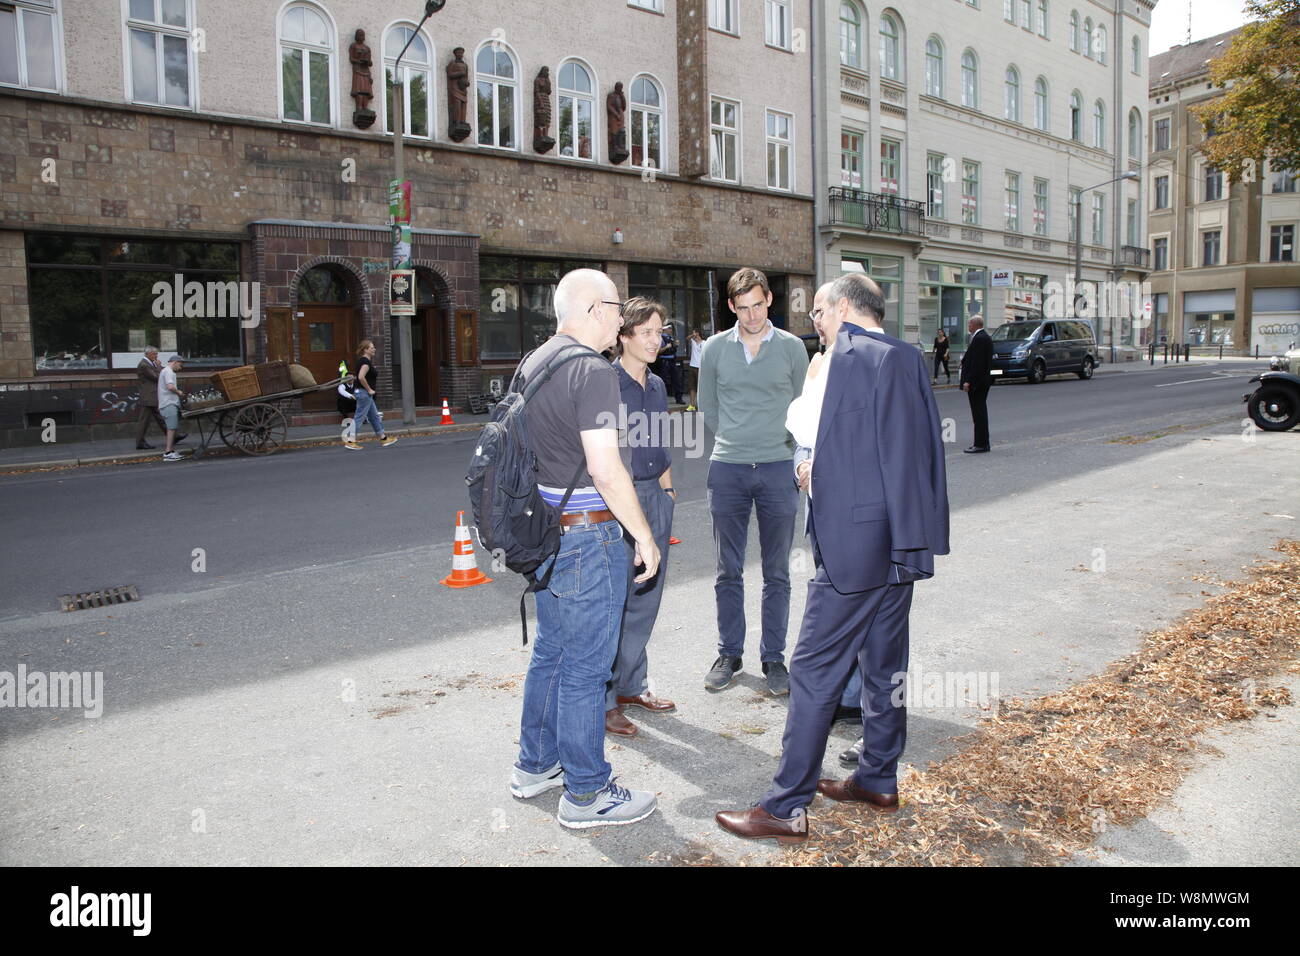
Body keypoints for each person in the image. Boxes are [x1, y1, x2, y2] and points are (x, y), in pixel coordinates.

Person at [715, 273, 950, 844]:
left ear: (843, 309)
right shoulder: (904, 355)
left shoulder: (847, 355)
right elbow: (904, 454)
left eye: (818, 311)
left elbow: (814, 432)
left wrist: (810, 464)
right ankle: (877, 777)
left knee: (814, 669)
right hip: (899, 545)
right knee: (884, 662)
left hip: (854, 549)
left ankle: (785, 805)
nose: (814, 322)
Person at [509, 268, 663, 830]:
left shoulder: (535, 362)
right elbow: (606, 467)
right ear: (595, 308)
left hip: (545, 535)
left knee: (551, 653)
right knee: (585, 669)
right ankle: (586, 793)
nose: (622, 320)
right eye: (618, 308)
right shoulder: (592, 372)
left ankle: (535, 766)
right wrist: (644, 536)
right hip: (587, 538)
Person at [698, 267, 809, 696]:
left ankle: (774, 658)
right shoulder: (713, 349)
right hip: (728, 467)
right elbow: (707, 404)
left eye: (758, 305)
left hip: (780, 468)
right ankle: (729, 653)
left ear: (769, 301)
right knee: (728, 569)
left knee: (776, 571)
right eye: (742, 308)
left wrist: (789, 450)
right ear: (731, 307)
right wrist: (736, 438)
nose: (751, 315)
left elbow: (803, 409)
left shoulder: (793, 348)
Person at [604, 297, 678, 738]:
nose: (656, 339)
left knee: (647, 597)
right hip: (620, 501)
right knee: (617, 603)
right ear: (624, 336)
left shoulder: (657, 385)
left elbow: (663, 441)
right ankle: (607, 699)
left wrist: (667, 492)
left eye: (660, 331)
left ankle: (634, 685)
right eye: (647, 332)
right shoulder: (606, 383)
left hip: (656, 495)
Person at [344, 340, 397, 450]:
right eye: (371, 348)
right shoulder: (365, 362)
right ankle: (350, 441)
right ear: (365, 350)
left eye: (373, 347)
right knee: (359, 417)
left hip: (363, 393)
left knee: (374, 416)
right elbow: (360, 377)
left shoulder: (363, 361)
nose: (374, 349)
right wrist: (369, 390)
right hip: (364, 393)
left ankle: (383, 438)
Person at [959, 316, 993, 453]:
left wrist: (968, 380)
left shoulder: (979, 339)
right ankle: (982, 442)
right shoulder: (984, 337)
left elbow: (977, 363)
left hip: (978, 383)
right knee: (979, 412)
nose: (968, 325)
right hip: (982, 381)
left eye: (969, 323)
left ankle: (981, 443)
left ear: (975, 324)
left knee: (978, 413)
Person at [134, 346, 167, 449]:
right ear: (147, 354)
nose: (156, 356)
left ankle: (173, 435)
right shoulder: (144, 365)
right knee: (144, 421)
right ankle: (140, 442)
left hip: (152, 396)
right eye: (154, 354)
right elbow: (157, 377)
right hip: (148, 397)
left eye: (156, 354)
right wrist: (158, 367)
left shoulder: (150, 363)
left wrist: (159, 367)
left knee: (160, 417)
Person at [157, 354, 187, 462]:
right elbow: (170, 387)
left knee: (172, 427)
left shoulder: (166, 371)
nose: (181, 367)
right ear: (174, 362)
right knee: (171, 428)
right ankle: (168, 452)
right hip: (168, 403)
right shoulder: (169, 371)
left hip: (168, 403)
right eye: (180, 365)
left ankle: (170, 451)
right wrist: (179, 392)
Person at [686, 328, 704, 411]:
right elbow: (687, 338)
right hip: (692, 366)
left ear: (698, 333)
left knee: (700, 387)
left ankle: (701, 404)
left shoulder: (704, 343)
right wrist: (693, 335)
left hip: (700, 367)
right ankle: (692, 405)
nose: (693, 335)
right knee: (692, 386)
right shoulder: (693, 341)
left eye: (694, 333)